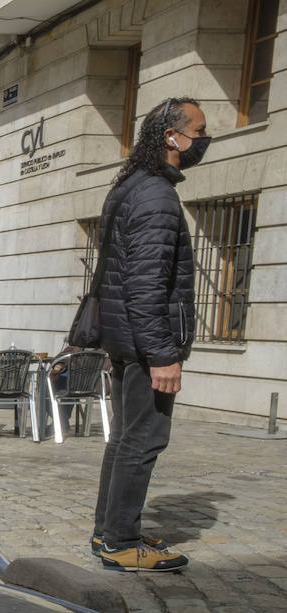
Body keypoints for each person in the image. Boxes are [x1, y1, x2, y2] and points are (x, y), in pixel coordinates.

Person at [91, 97, 205, 572]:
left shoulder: (132, 187)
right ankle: (120, 541)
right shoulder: (156, 195)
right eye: (196, 131)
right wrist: (163, 354)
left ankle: (110, 530)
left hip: (127, 340)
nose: (201, 140)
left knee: (124, 438)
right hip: (145, 346)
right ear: (171, 137)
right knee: (143, 439)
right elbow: (144, 283)